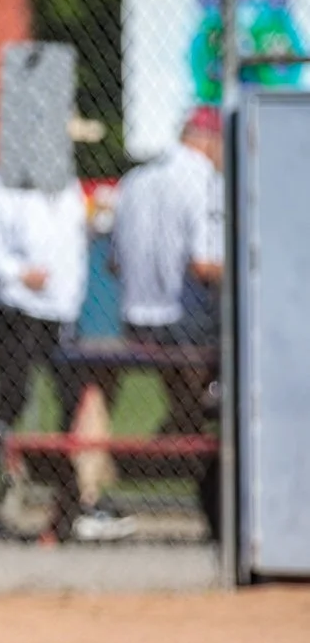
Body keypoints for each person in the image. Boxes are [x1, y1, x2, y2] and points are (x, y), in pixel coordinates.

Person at [0, 166, 134, 542]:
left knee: (76, 398)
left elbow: (68, 240)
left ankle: (76, 501)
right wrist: (19, 272)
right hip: (14, 308)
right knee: (13, 398)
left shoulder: (66, 182)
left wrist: (99, 221)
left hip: (59, 311)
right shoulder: (1, 181)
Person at [109, 105, 224, 436]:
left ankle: (183, 427)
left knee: (189, 394)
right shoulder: (205, 181)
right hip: (184, 325)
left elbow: (114, 264)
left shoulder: (134, 180)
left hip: (135, 321)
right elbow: (204, 266)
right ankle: (204, 410)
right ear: (209, 141)